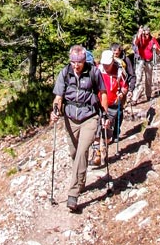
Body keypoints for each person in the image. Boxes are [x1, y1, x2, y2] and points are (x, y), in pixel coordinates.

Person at [51, 45, 109, 212]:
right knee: (75, 153)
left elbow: (103, 93)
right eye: (73, 62)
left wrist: (104, 113)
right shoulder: (64, 73)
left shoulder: (93, 72)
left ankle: (73, 194)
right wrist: (55, 110)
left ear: (85, 60)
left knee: (83, 151)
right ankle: (81, 179)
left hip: (89, 116)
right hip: (70, 118)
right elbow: (59, 96)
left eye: (79, 62)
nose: (76, 65)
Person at [92, 49, 128, 164]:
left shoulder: (118, 72)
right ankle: (97, 153)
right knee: (96, 128)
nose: (106, 66)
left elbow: (124, 86)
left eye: (108, 64)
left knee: (107, 130)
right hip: (98, 104)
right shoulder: (98, 70)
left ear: (112, 62)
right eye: (104, 64)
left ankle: (104, 149)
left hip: (113, 104)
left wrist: (122, 93)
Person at [131, 26, 160, 105]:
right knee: (138, 79)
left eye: (148, 33)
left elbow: (159, 51)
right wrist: (139, 33)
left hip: (149, 61)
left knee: (148, 79)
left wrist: (156, 48)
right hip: (140, 60)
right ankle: (135, 98)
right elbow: (135, 43)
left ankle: (148, 95)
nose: (147, 35)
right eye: (146, 33)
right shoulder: (140, 38)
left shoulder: (152, 39)